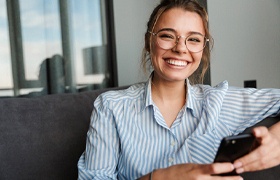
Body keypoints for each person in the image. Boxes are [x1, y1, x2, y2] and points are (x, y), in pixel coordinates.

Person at [77, 0, 280, 179]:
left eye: (193, 39)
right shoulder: (111, 107)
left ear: (203, 48)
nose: (181, 48)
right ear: (149, 42)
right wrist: (161, 178)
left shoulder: (220, 101)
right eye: (167, 36)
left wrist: (276, 139)